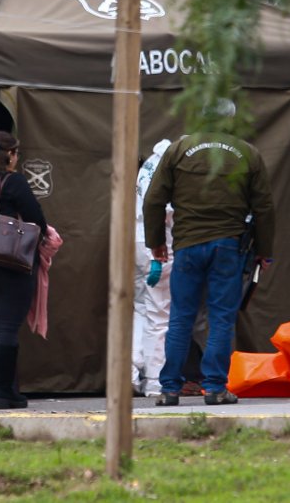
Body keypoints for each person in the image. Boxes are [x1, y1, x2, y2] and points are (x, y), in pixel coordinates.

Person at [143, 99, 275, 406]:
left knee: (180, 318)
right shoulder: (246, 153)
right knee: (221, 318)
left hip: (187, 245)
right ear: (229, 120)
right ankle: (215, 387)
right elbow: (264, 208)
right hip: (229, 246)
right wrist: (264, 251)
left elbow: (153, 201)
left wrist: (156, 243)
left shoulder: (177, 150)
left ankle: (170, 389)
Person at [0, 131, 48, 410]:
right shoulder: (13, 181)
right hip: (10, 263)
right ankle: (4, 393)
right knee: (5, 328)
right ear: (11, 155)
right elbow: (35, 217)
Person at [133, 139, 173, 397]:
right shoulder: (167, 166)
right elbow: (165, 211)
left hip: (135, 239)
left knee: (140, 308)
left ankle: (131, 375)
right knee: (160, 314)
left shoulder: (148, 163)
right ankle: (155, 381)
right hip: (156, 244)